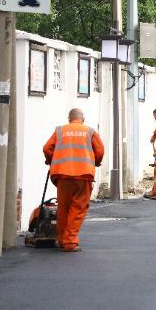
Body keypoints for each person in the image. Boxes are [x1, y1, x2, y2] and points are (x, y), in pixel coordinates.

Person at [42, 108, 104, 252]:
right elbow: (100, 151)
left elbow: (47, 148)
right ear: (83, 118)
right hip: (83, 176)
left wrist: (50, 160)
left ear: (69, 118)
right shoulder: (90, 131)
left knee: (63, 208)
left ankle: (63, 240)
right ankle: (70, 242)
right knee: (78, 208)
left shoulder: (59, 131)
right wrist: (96, 162)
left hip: (62, 176)